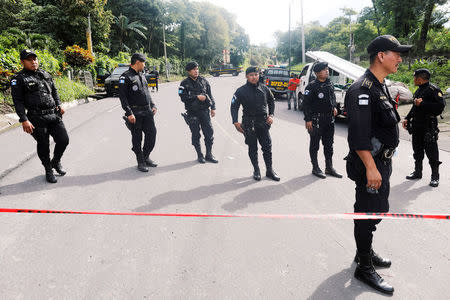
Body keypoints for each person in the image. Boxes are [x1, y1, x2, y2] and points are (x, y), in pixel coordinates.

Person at [345, 35, 412, 295]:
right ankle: (363, 266)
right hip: (370, 165)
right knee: (367, 211)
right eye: (396, 53)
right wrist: (371, 168)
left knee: (376, 210)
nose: (400, 58)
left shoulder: (379, 85)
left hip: (381, 162)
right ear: (381, 56)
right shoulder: (362, 89)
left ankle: (365, 251)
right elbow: (358, 135)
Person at [11, 49, 69, 183]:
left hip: (53, 114)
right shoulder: (18, 79)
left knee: (63, 140)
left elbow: (54, 91)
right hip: (36, 117)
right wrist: (24, 120)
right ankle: (48, 169)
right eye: (29, 60)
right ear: (22, 62)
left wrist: (59, 104)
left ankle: (56, 161)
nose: (33, 62)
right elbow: (18, 101)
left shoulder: (45, 74)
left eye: (35, 59)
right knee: (43, 144)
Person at [231, 66, 280, 181]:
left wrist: (271, 115)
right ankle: (256, 170)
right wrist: (235, 122)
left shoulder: (264, 88)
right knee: (252, 148)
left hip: (263, 123)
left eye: (256, 74)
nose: (254, 77)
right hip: (249, 123)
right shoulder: (240, 91)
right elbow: (234, 107)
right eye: (251, 75)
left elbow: (271, 101)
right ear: (247, 76)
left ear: (259, 75)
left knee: (267, 147)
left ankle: (269, 170)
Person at [402, 68, 445, 187]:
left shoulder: (433, 90)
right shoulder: (419, 90)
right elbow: (415, 106)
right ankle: (417, 172)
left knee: (432, 153)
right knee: (417, 150)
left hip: (428, 126)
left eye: (415, 78)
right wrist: (407, 117)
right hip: (417, 125)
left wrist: (423, 104)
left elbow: (440, 107)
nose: (414, 80)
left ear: (420, 79)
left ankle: (435, 177)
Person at [119, 53, 157, 172]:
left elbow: (147, 92)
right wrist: (129, 112)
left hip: (147, 111)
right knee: (137, 138)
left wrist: (153, 105)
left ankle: (145, 156)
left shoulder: (142, 75)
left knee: (152, 135)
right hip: (135, 113)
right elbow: (122, 97)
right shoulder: (125, 77)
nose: (144, 64)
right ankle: (140, 161)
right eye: (143, 62)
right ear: (137, 62)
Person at [302, 62, 342, 179]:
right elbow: (306, 104)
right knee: (315, 144)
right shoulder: (311, 86)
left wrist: (334, 106)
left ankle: (329, 167)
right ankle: (315, 167)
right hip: (316, 120)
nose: (327, 71)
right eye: (324, 70)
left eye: (327, 69)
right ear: (317, 73)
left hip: (329, 119)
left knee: (329, 145)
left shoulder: (329, 84)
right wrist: (308, 119)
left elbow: (332, 98)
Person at [178, 61, 218, 164]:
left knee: (209, 133)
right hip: (192, 113)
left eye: (197, 69)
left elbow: (210, 94)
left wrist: (213, 107)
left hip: (204, 112)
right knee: (196, 135)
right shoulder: (184, 83)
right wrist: (196, 97)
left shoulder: (204, 81)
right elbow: (183, 97)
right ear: (188, 71)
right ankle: (200, 155)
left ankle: (209, 154)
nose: (196, 71)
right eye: (193, 69)